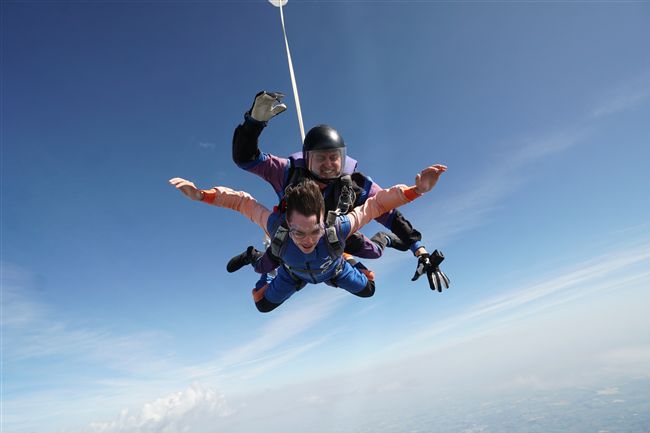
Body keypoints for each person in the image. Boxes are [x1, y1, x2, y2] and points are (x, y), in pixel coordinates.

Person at [229, 91, 449, 291]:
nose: (328, 165)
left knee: (374, 256)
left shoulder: (355, 185)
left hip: (334, 238)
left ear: (343, 158)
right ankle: (253, 256)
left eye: (334, 157)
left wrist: (420, 251)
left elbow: (390, 214)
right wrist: (253, 124)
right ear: (307, 159)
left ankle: (378, 243)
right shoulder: (288, 172)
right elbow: (246, 159)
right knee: (264, 289)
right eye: (320, 158)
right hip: (294, 238)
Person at [169, 163, 447, 312]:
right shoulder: (276, 227)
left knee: (370, 282)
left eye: (315, 231)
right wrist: (203, 195)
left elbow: (376, 205)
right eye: (298, 232)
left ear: (323, 221)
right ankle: (253, 255)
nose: (307, 240)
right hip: (293, 273)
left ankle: (370, 246)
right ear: (287, 223)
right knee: (262, 301)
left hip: (333, 267)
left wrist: (416, 191)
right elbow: (242, 203)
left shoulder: (337, 228)